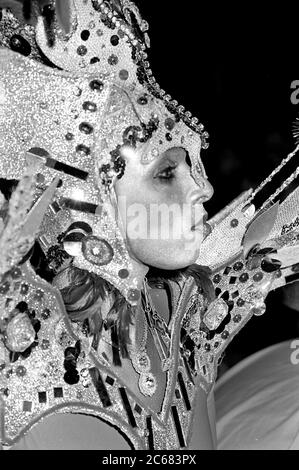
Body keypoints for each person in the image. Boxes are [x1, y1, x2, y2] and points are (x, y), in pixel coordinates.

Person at [0, 0, 299, 451]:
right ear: (94, 196)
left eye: (195, 164)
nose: (205, 188)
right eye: (166, 173)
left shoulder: (190, 325)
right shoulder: (21, 342)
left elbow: (272, 245)